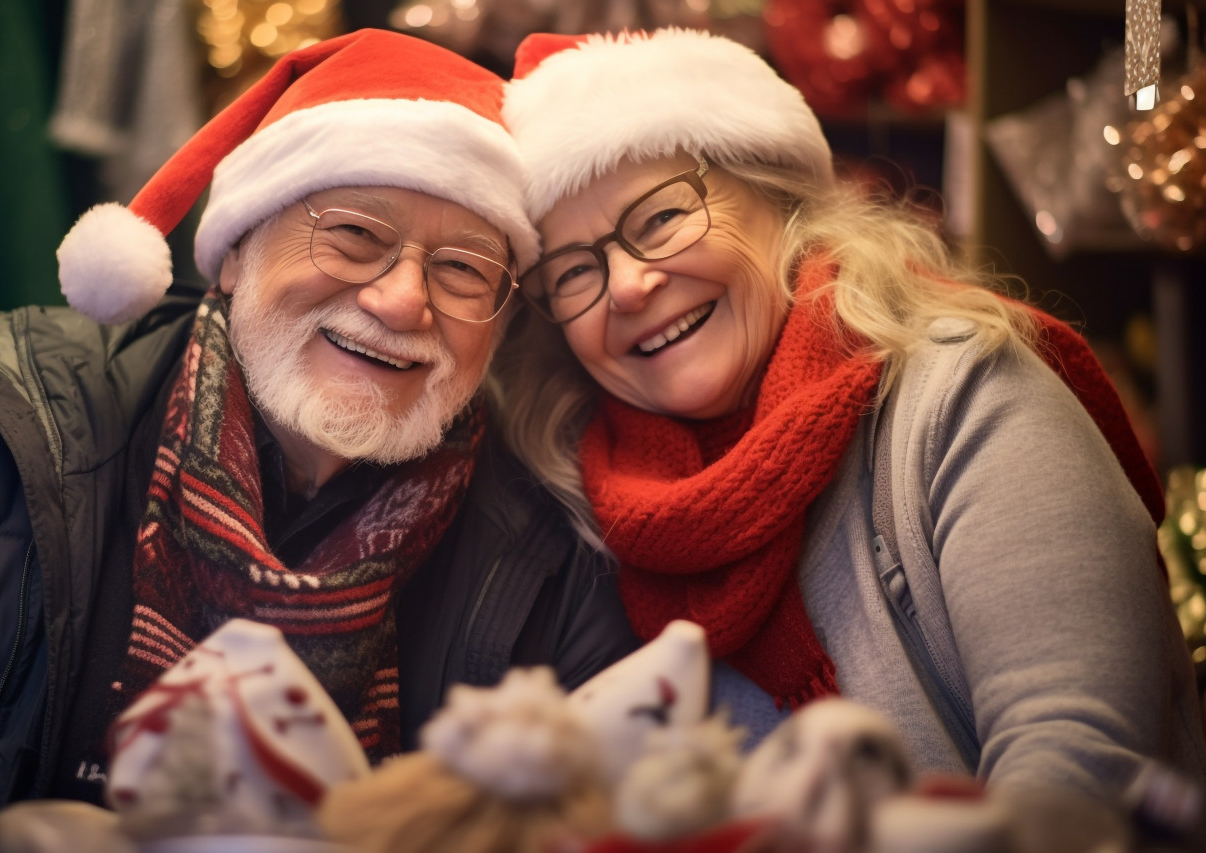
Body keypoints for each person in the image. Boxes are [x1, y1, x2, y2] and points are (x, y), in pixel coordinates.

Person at [0, 28, 638, 841]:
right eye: (355, 235)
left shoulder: (558, 556)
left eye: (464, 269)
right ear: (234, 255)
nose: (404, 301)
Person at [493, 25, 1206, 817]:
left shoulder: (963, 394)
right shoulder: (593, 504)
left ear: (779, 198)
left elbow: (1079, 769)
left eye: (660, 218)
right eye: (574, 270)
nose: (626, 285)